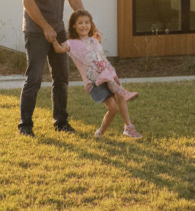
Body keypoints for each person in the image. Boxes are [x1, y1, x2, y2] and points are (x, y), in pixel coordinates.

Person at [19, 0, 86, 137]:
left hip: (58, 30)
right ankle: (25, 126)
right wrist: (45, 27)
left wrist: (87, 22)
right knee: (34, 79)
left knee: (62, 77)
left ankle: (61, 122)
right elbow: (28, 2)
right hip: (36, 32)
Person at [51, 10, 142, 139]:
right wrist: (53, 39)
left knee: (120, 96)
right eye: (80, 23)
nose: (84, 26)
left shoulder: (94, 40)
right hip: (93, 82)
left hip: (107, 76)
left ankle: (129, 127)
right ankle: (100, 133)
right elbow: (58, 49)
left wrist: (113, 73)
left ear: (91, 24)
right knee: (113, 108)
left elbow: (102, 58)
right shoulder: (71, 44)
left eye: (87, 22)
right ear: (73, 26)